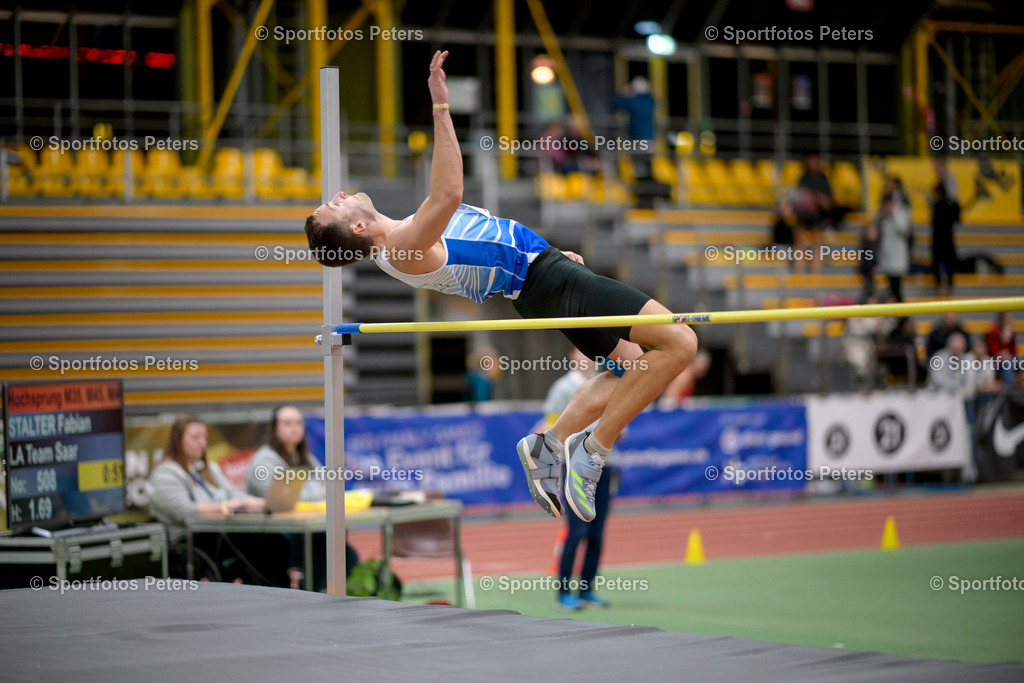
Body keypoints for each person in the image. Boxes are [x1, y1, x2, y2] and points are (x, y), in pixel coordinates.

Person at [303, 50, 699, 524]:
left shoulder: (403, 237)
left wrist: (549, 253)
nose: (341, 195)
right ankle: (592, 452)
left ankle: (548, 442)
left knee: (632, 370)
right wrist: (440, 106)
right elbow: (449, 193)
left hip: (543, 278)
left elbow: (492, 240)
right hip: (545, 281)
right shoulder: (402, 248)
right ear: (358, 231)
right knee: (680, 341)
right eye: (335, 205)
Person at [147, 415, 290, 585]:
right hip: (190, 540)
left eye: (204, 437)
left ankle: (277, 595)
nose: (202, 443)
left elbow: (235, 495)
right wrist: (227, 506)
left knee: (276, 542)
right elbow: (185, 512)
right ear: (177, 440)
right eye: (195, 437)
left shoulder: (209, 468)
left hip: (219, 534)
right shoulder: (165, 474)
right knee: (261, 547)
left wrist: (263, 504)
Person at [245, 406, 359, 589]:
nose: (294, 428)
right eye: (287, 423)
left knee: (343, 552)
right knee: (328, 548)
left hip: (302, 528)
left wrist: (310, 490)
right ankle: (315, 595)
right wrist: (315, 490)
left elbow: (329, 483)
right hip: (272, 534)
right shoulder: (264, 459)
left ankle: (319, 593)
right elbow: (281, 497)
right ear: (274, 428)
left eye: (298, 423)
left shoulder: (304, 456)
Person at [541, 349, 614, 610]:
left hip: (604, 465)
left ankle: (587, 589)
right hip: (574, 467)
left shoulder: (610, 382)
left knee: (597, 531)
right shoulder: (563, 387)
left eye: (590, 354)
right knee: (576, 531)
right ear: (572, 356)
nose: (588, 358)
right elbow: (551, 427)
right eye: (582, 354)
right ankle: (563, 593)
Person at [876, 190, 911, 302]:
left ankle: (901, 314)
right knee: (890, 288)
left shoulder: (901, 213)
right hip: (887, 258)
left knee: (897, 288)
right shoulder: (883, 218)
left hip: (897, 258)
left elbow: (903, 229)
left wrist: (894, 213)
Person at [930, 181, 959, 295]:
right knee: (948, 263)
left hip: (940, 240)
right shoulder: (951, 204)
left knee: (941, 263)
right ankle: (948, 285)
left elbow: (934, 222)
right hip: (947, 239)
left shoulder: (938, 205)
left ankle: (941, 286)